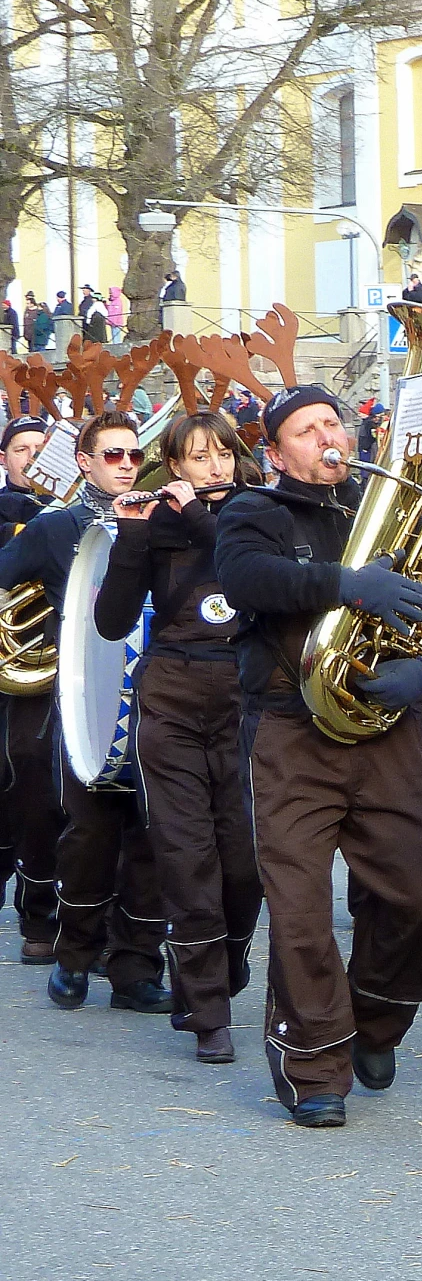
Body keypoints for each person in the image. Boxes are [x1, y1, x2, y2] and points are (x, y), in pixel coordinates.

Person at [216, 383, 422, 1125]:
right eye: (305, 431)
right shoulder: (255, 513)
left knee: (418, 897)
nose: (326, 438)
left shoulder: (395, 508)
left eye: (332, 423)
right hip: (292, 729)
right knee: (300, 910)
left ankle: (374, 1018)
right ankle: (313, 1068)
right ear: (276, 452)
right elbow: (245, 578)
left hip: (391, 730)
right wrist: (349, 587)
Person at [93, 411, 263, 1062]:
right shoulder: (159, 522)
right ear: (175, 465)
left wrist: (197, 514)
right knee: (188, 858)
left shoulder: (255, 514)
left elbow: (242, 571)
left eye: (221, 453)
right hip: (172, 696)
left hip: (244, 698)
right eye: (196, 457)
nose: (213, 467)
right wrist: (131, 536)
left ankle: (228, 955)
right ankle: (207, 1009)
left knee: (245, 859)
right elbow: (111, 622)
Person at [0, 410, 170, 1013]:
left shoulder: (161, 520)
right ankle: (74, 955)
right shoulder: (56, 528)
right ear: (85, 461)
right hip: (84, 696)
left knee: (152, 836)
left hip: (153, 696)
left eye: (133, 455)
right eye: (113, 455)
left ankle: (137, 969)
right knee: (89, 836)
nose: (127, 465)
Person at [1, 416, 63, 964]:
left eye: (43, 448)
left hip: (74, 665)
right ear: (6, 460)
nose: (33, 456)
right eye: (22, 449)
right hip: (19, 672)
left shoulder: (74, 512)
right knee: (24, 783)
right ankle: (36, 910)